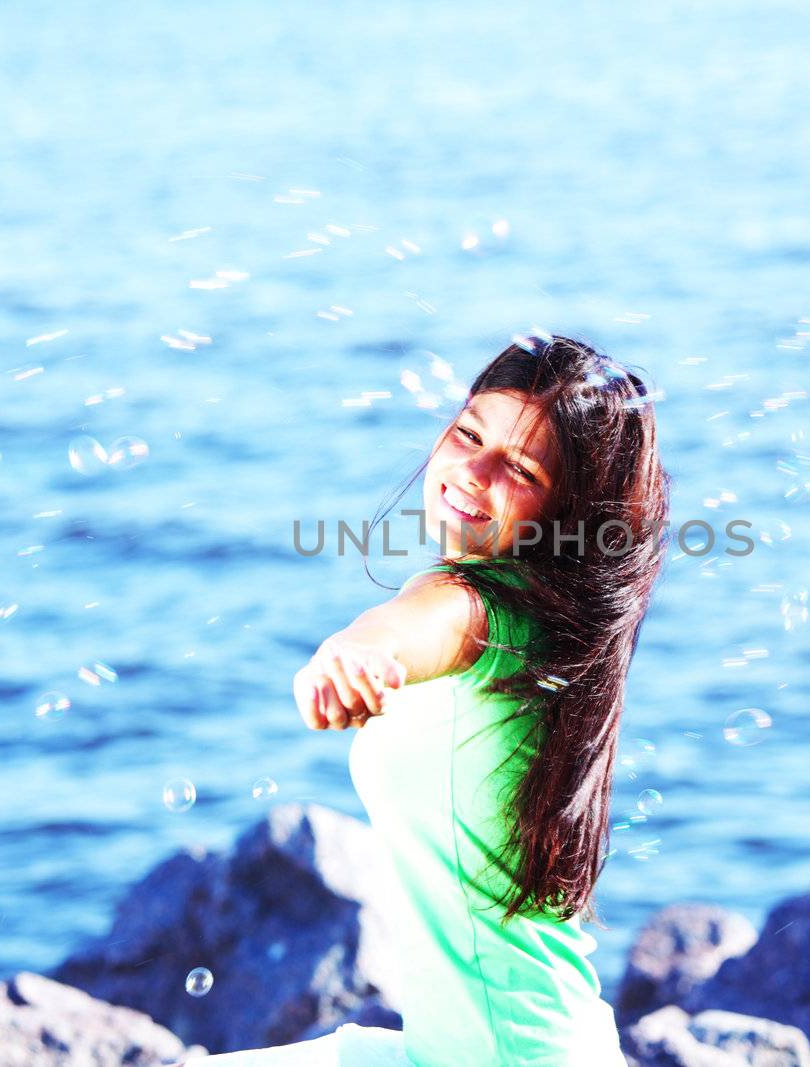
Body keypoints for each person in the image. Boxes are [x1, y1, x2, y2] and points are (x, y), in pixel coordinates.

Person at [177, 334, 670, 1066]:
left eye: (520, 468)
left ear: (566, 514)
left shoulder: (476, 607)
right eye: (469, 431)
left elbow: (411, 630)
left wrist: (351, 655)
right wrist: (354, 655)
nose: (472, 471)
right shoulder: (550, 636)